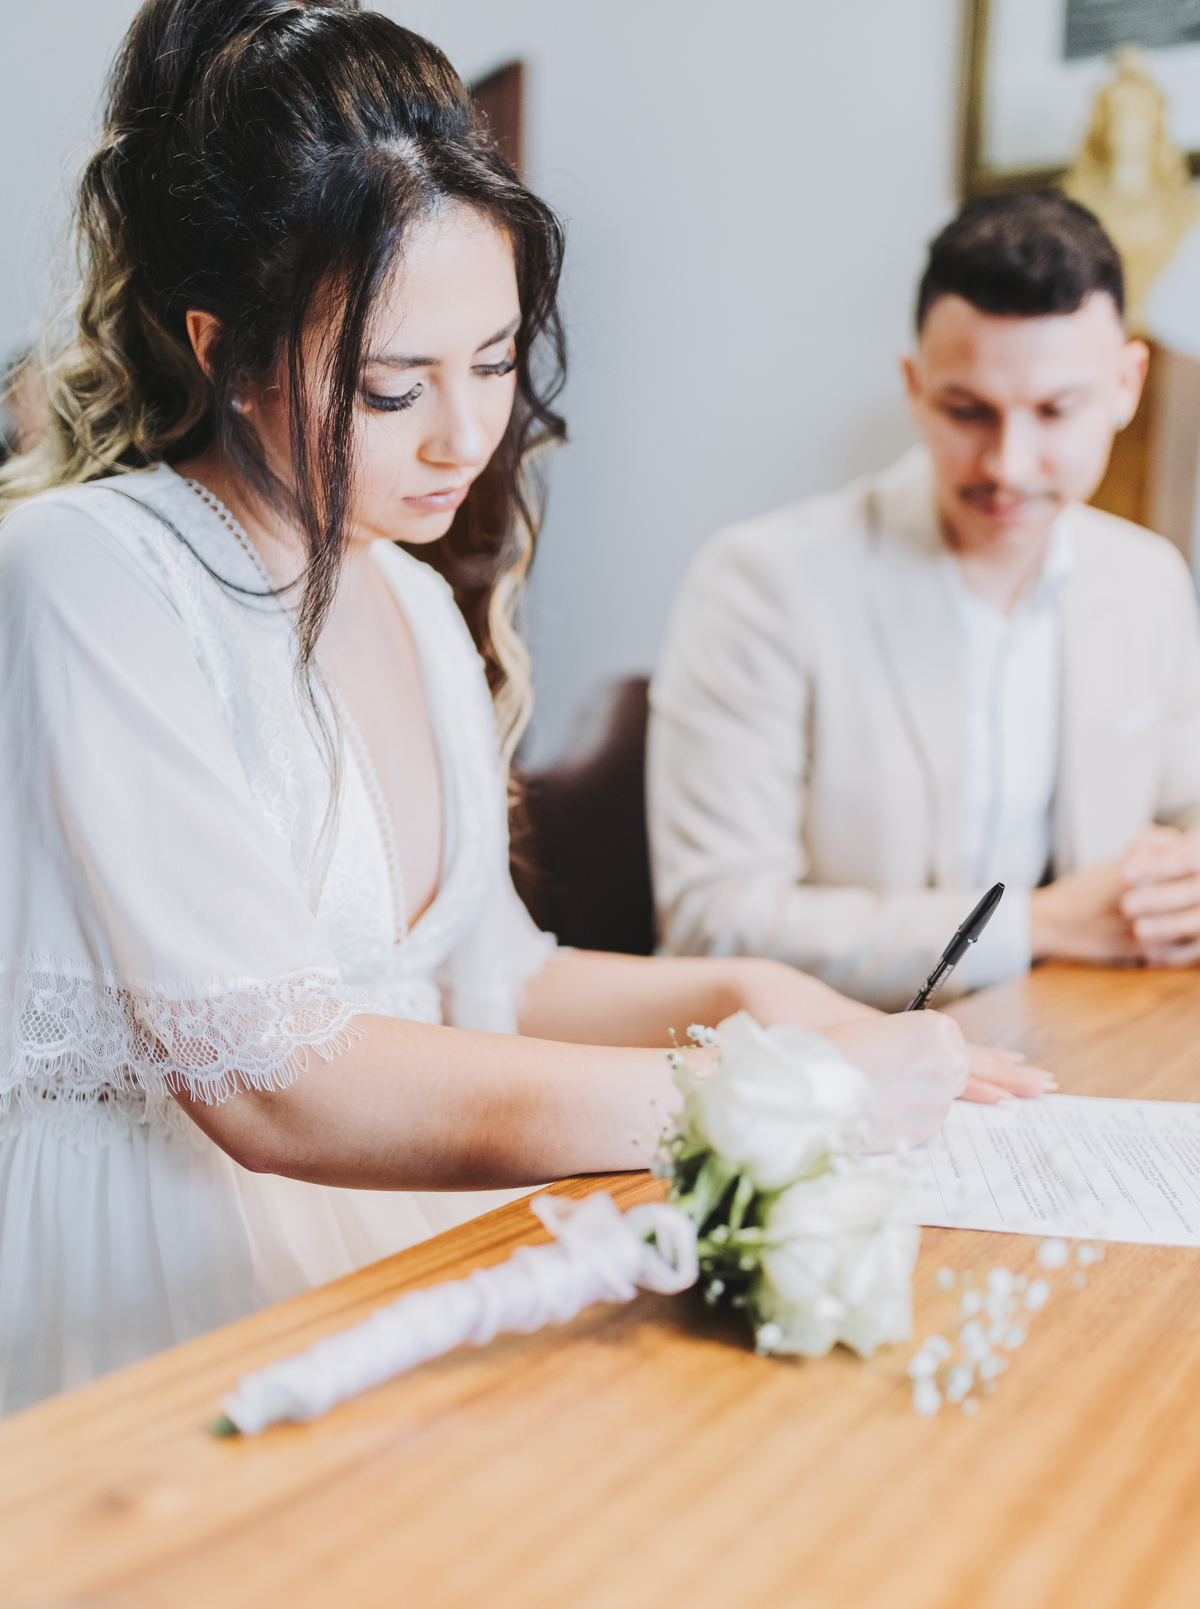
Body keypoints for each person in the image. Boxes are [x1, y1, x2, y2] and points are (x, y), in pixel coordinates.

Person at [0, 0, 1004, 1412]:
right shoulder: (87, 577)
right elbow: (281, 1083)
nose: (470, 440)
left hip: (386, 1240)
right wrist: (761, 1101)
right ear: (222, 348)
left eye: (494, 363)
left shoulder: (402, 593)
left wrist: (747, 995)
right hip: (152, 1285)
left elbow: (485, 979)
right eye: (394, 388)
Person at [649, 192, 1200, 1011]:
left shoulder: (1148, 578)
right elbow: (710, 919)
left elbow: (1183, 815)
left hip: (1076, 1035)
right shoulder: (761, 582)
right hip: (830, 1065)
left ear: (1126, 385)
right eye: (967, 410)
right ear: (914, 388)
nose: (1009, 464)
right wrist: (1036, 924)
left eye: (1055, 411)